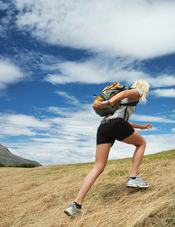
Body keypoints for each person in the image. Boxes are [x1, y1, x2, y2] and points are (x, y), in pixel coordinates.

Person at [64, 79, 152, 216]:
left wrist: (142, 127)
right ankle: (133, 178)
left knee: (98, 167)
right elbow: (126, 96)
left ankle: (75, 205)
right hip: (116, 124)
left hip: (104, 126)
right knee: (141, 144)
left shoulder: (121, 99)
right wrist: (108, 102)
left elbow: (123, 119)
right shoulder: (136, 92)